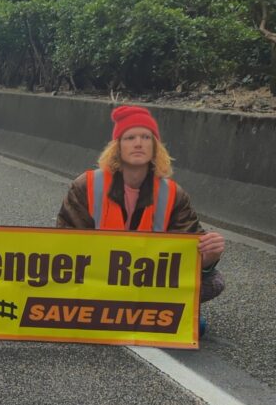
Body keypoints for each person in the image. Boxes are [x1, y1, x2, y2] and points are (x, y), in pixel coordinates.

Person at [56, 106, 226, 324]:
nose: (138, 143)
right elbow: (64, 244)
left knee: (214, 281)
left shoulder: (173, 194)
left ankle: (147, 311)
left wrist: (208, 257)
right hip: (96, 280)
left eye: (146, 137)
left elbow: (186, 253)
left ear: (155, 147)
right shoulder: (87, 185)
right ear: (117, 147)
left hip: (146, 283)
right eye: (130, 137)